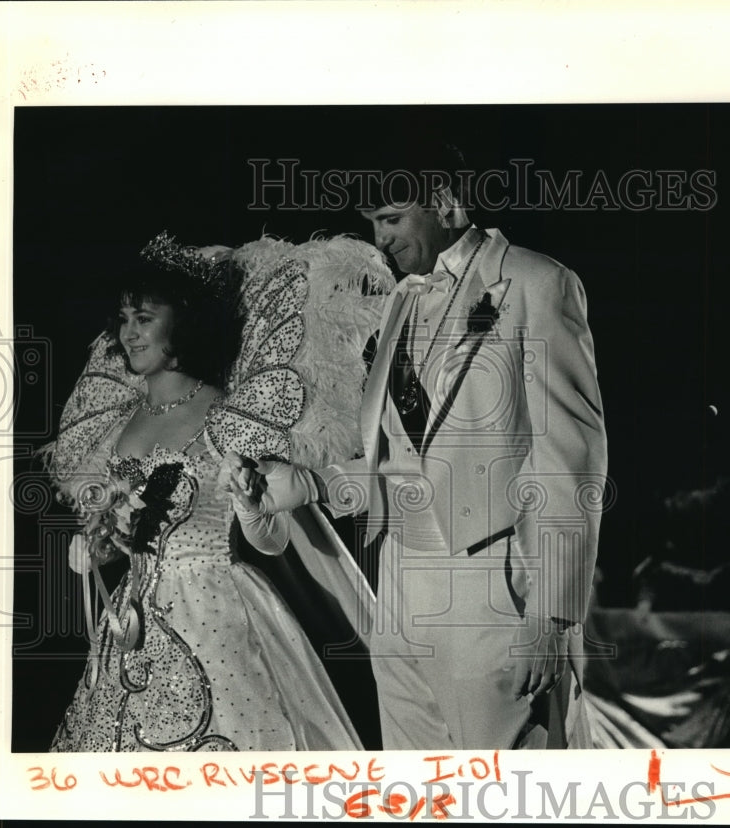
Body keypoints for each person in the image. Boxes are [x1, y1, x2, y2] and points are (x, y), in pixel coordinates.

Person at [227, 148, 609, 749]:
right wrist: (311, 484)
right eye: (372, 223)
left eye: (393, 220)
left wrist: (552, 612)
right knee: (417, 794)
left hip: (492, 587)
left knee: (510, 794)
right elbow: (404, 464)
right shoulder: (404, 299)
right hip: (399, 582)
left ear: (450, 205)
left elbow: (570, 457)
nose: (379, 240)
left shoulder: (538, 282)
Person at [44, 232, 392, 751]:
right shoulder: (122, 423)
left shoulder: (225, 416)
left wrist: (251, 504)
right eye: (123, 319)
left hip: (219, 617)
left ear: (181, 322)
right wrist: (101, 543)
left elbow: (272, 539)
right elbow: (132, 533)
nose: (129, 334)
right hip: (131, 626)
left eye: (144, 318)